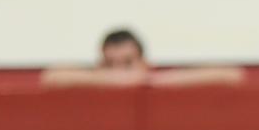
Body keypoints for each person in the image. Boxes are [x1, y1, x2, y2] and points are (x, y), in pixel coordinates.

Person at [41, 28, 243, 88]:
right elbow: (51, 77)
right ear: (101, 65)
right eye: (111, 64)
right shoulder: (93, 84)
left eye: (128, 63)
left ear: (145, 64)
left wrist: (151, 81)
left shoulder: (153, 82)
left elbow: (231, 75)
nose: (120, 72)